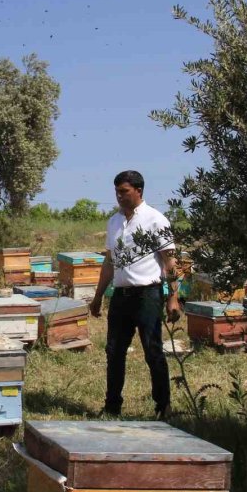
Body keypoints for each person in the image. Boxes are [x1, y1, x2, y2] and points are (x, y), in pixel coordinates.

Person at [90, 170, 180, 420]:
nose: (120, 196)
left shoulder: (155, 219)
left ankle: (163, 407)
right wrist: (98, 296)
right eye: (117, 192)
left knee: (153, 351)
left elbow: (171, 261)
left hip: (148, 295)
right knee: (114, 351)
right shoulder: (113, 222)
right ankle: (112, 406)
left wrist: (173, 296)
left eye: (124, 191)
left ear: (139, 191)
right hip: (120, 296)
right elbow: (109, 262)